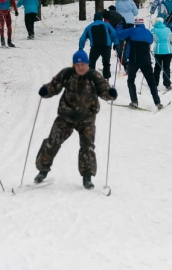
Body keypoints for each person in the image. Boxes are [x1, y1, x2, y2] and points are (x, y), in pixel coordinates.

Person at [34, 51, 118, 189]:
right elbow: (54, 86)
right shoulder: (66, 74)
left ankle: (87, 177)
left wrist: (110, 94)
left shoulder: (94, 76)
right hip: (65, 116)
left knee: (87, 147)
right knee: (52, 142)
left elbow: (104, 90)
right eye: (77, 64)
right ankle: (43, 170)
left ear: (87, 64)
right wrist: (45, 90)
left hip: (87, 118)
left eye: (82, 64)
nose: (80, 67)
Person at [117, 17, 163, 109]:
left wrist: (120, 26)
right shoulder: (148, 32)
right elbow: (151, 41)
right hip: (146, 60)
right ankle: (157, 102)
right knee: (151, 82)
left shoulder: (132, 30)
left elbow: (119, 35)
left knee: (131, 80)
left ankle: (134, 101)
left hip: (134, 60)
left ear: (135, 24)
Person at [79, 12, 118, 80]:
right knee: (106, 62)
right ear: (101, 18)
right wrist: (116, 44)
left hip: (95, 47)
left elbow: (82, 38)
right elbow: (114, 34)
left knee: (92, 63)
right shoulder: (107, 25)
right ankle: (106, 78)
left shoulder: (89, 27)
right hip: (106, 46)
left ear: (94, 19)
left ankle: (91, 79)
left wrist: (81, 48)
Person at [115, 0, 139, 71]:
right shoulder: (131, 1)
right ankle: (130, 59)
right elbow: (136, 12)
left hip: (121, 22)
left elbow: (116, 12)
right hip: (130, 23)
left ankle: (123, 59)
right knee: (130, 41)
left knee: (121, 41)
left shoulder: (118, 2)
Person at [151, 17, 172, 90]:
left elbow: (153, 39)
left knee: (157, 67)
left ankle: (155, 83)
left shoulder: (153, 30)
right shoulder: (168, 29)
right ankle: (167, 84)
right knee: (166, 67)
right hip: (168, 50)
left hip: (158, 51)